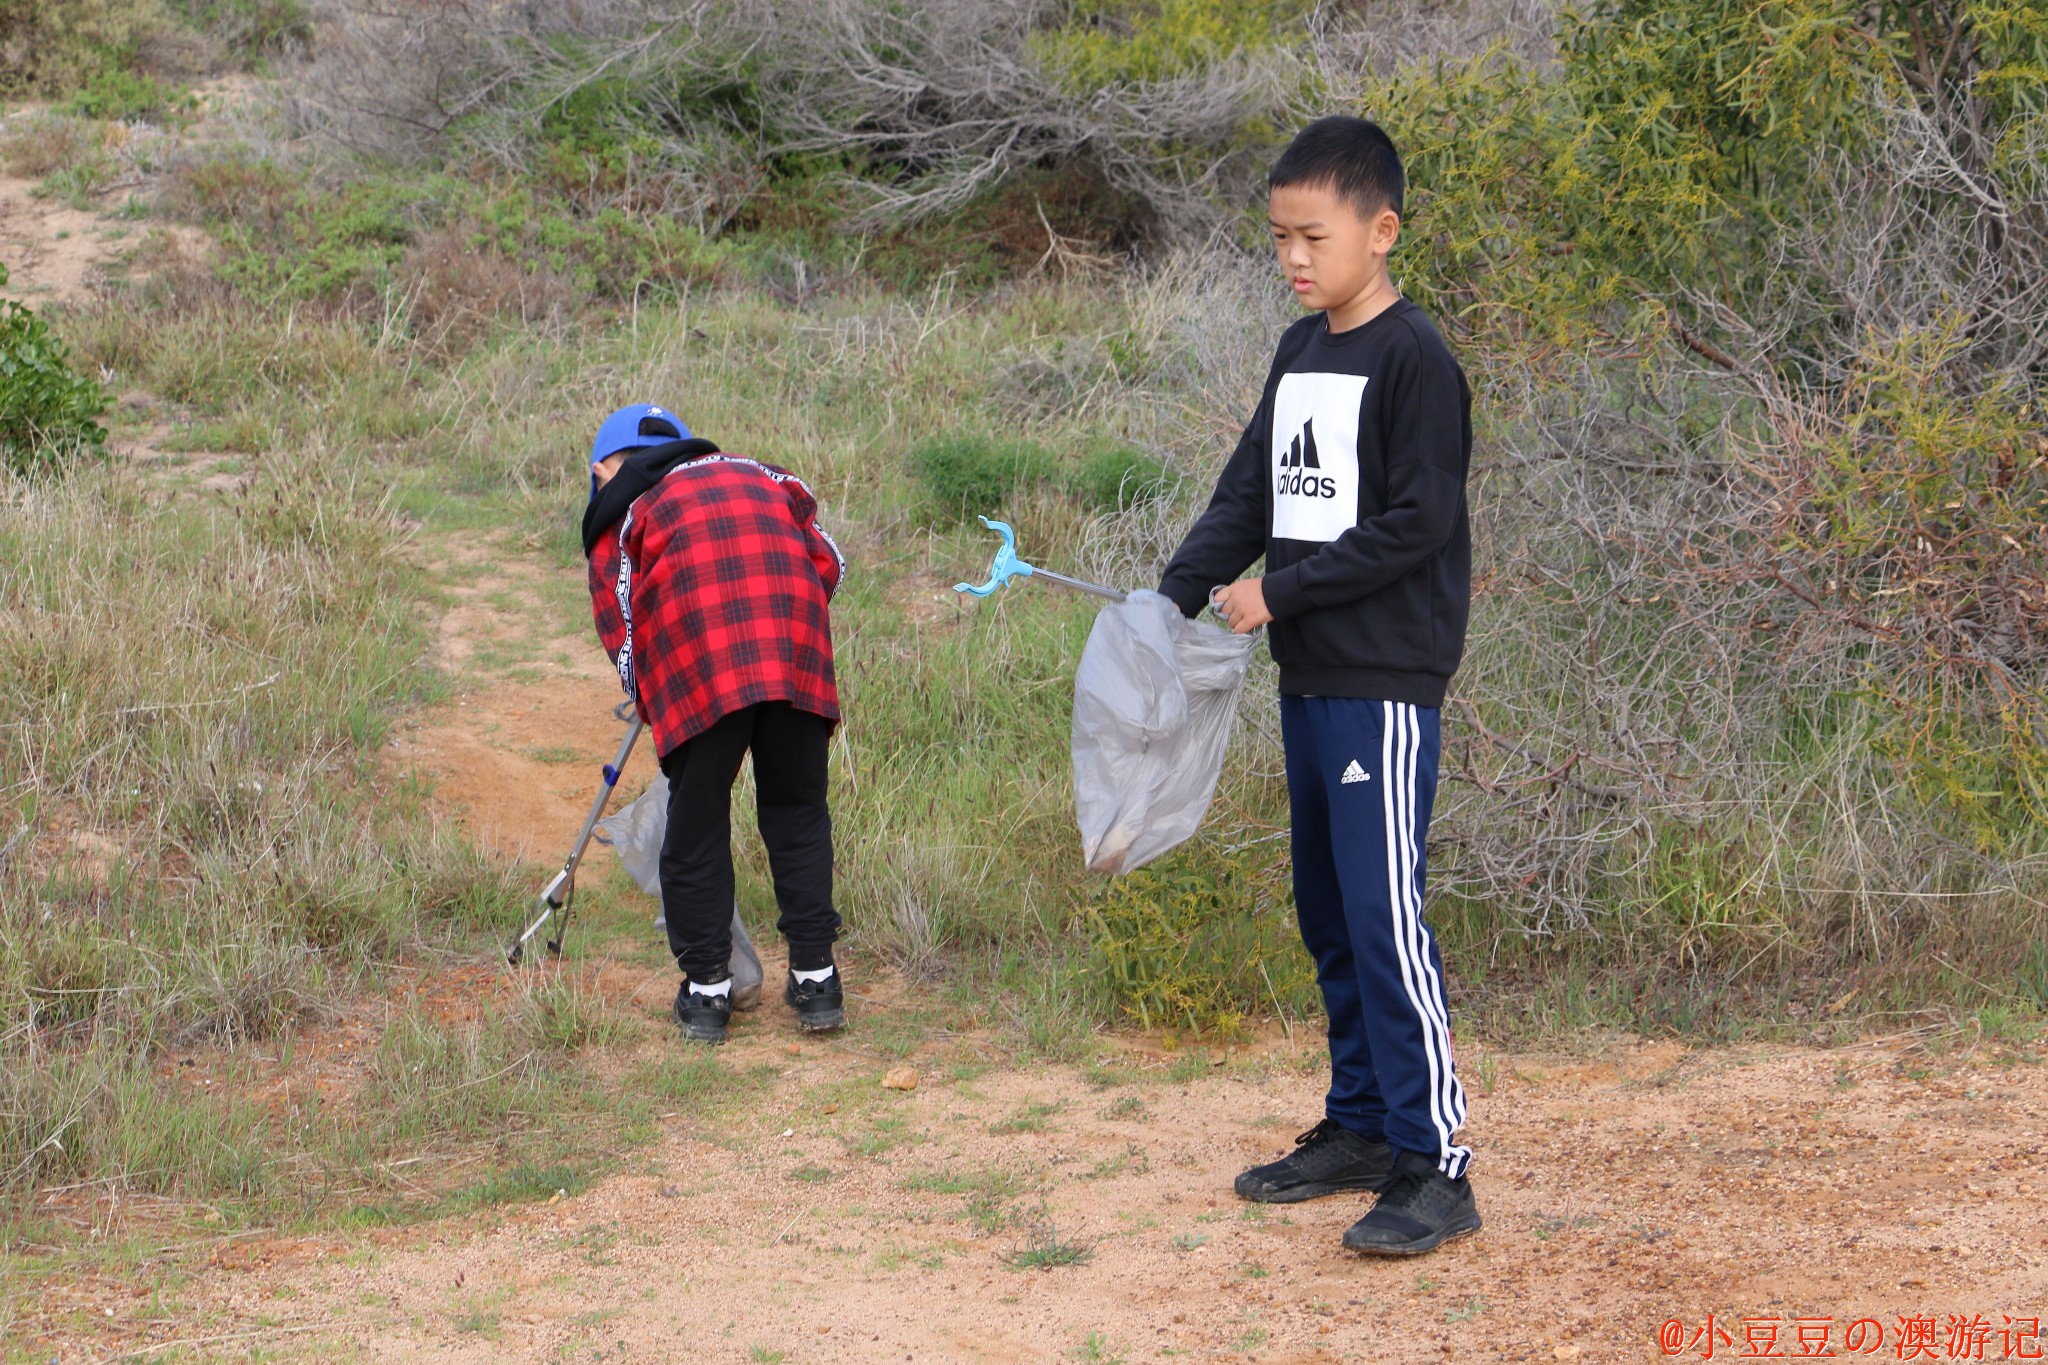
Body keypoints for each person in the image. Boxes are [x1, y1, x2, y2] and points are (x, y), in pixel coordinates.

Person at [1155, 117, 1480, 1255]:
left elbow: (1415, 522)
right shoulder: (1301, 350)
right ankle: (1358, 1128)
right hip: (1308, 683)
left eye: (1311, 236)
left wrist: (1278, 596)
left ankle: (1435, 1163)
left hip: (1384, 684)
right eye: (1279, 240)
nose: (1293, 258)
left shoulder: (1414, 360)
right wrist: (1179, 588)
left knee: (1386, 918)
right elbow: (1251, 487)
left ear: (1379, 231)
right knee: (1330, 913)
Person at [581, 403, 848, 1044]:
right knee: (797, 810)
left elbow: (621, 626)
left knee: (696, 819)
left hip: (700, 663)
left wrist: (651, 693)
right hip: (794, 648)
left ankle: (706, 995)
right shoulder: (764, 474)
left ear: (601, 470)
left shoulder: (625, 511)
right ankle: (817, 982)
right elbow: (830, 563)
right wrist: (784, 625)